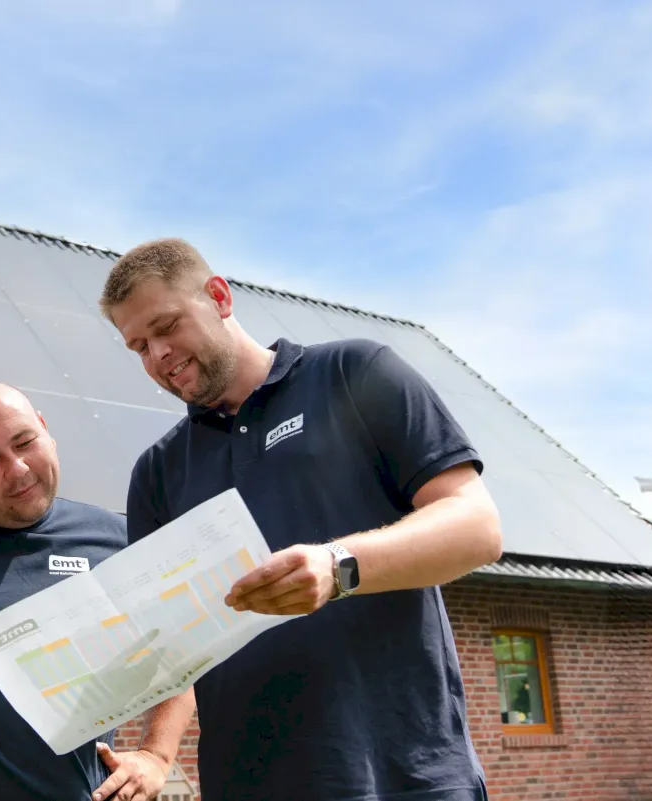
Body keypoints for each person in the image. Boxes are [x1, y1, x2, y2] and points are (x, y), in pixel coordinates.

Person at [98, 238, 505, 801]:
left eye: (166, 327)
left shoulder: (355, 373)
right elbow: (176, 640)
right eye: (138, 346)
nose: (158, 355)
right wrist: (155, 751)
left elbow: (477, 527)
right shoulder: (158, 472)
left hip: (405, 778)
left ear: (219, 297)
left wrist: (339, 566)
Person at [0, 381, 196, 801]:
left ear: (45, 429)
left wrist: (156, 757)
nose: (17, 469)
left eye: (24, 442)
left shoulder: (115, 538)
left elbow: (178, 650)